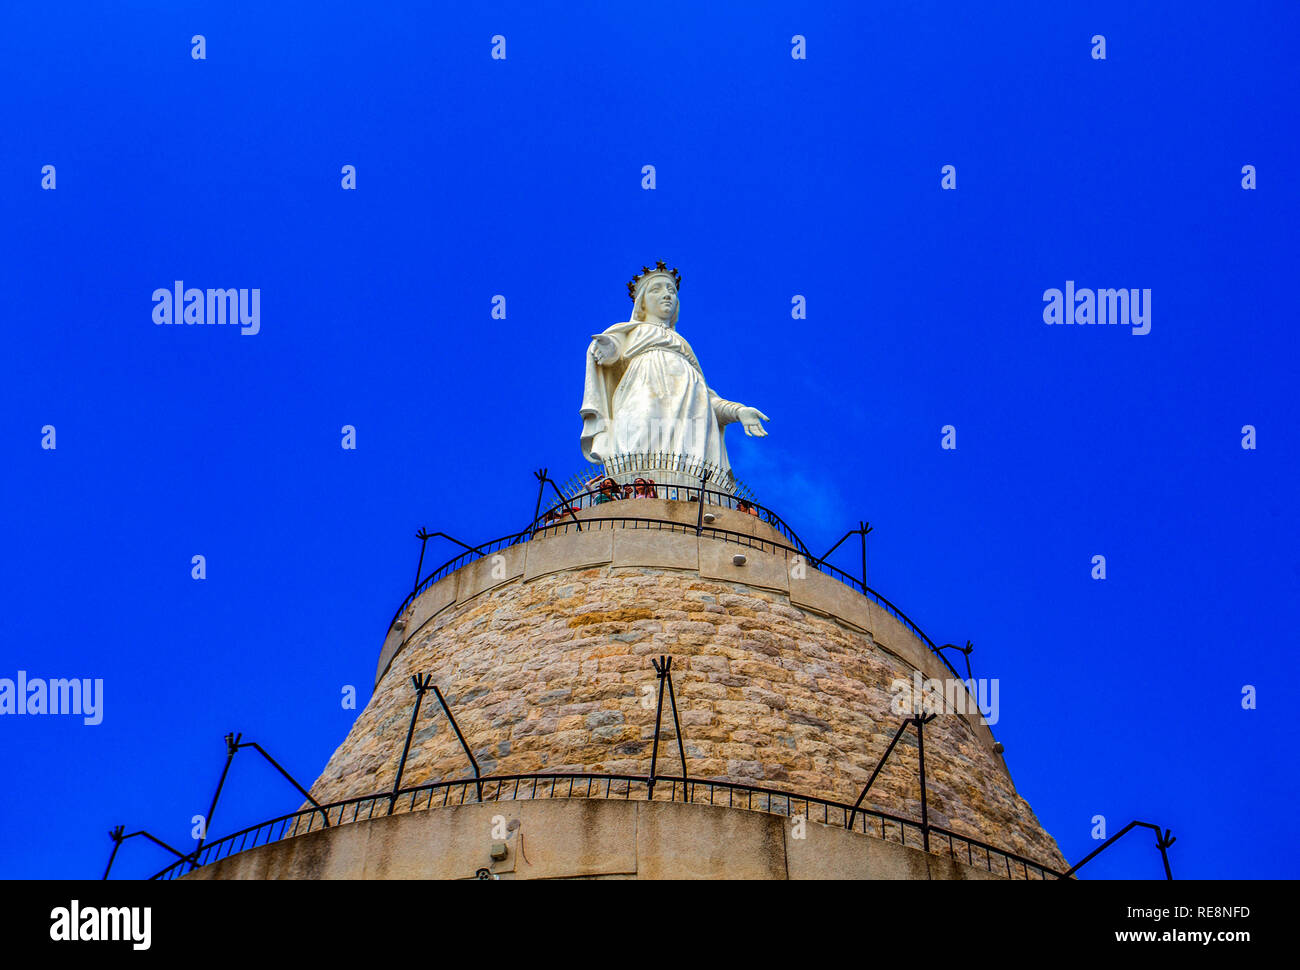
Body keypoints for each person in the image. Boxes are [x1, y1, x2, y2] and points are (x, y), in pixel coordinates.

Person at [580, 263, 769, 487]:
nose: (667, 294)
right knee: (637, 448)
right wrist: (605, 348)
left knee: (689, 466)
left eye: (671, 290)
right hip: (642, 397)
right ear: (642, 301)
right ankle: (637, 490)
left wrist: (739, 412)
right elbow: (610, 352)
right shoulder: (630, 332)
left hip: (691, 413)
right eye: (657, 289)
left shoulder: (683, 348)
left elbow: (707, 399)